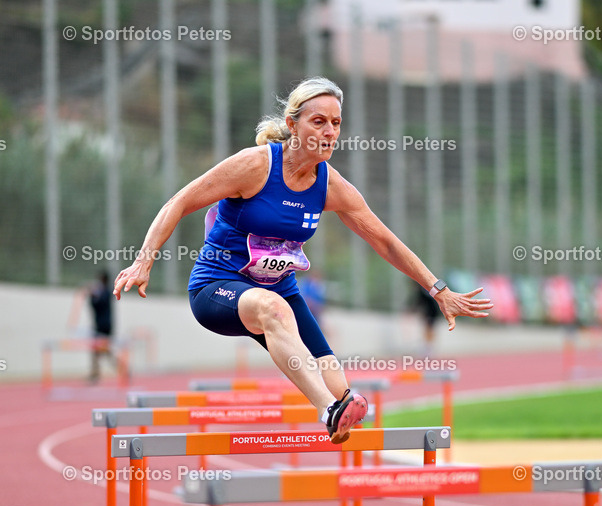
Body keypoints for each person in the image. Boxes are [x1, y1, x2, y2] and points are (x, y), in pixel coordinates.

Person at [113, 77, 492, 443]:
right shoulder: (256, 165)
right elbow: (178, 202)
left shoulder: (331, 185)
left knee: (342, 389)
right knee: (274, 310)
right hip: (216, 289)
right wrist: (144, 261)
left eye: (336, 123)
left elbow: (385, 241)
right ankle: (326, 410)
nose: (329, 132)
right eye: (319, 121)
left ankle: (337, 413)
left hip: (280, 293)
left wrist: (437, 289)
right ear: (293, 125)